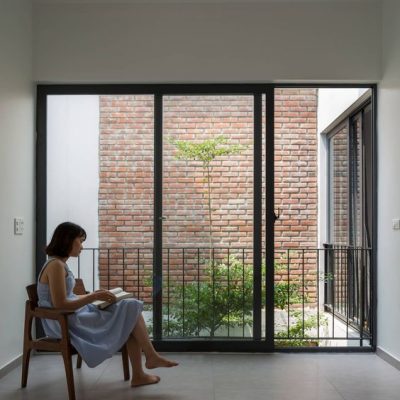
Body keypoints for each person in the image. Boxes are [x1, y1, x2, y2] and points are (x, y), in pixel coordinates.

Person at [37, 221, 178, 387]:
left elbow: (66, 296)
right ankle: (147, 362)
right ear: (67, 240)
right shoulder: (55, 265)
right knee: (129, 310)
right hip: (64, 321)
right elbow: (60, 304)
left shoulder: (59, 264)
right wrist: (93, 297)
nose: (82, 246)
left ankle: (143, 369)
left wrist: (93, 295)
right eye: (80, 241)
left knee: (130, 308)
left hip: (72, 315)